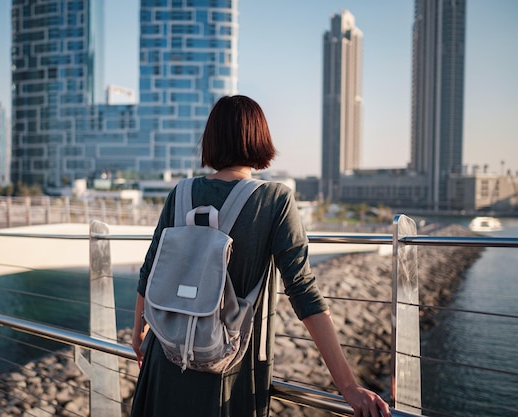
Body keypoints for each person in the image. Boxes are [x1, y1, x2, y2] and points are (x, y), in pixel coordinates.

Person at [130, 95, 391, 417]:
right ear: (259, 137)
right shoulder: (274, 198)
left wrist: (138, 333)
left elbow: (150, 269)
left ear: (210, 140)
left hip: (165, 353)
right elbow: (303, 291)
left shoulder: (181, 192)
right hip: (227, 363)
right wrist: (348, 387)